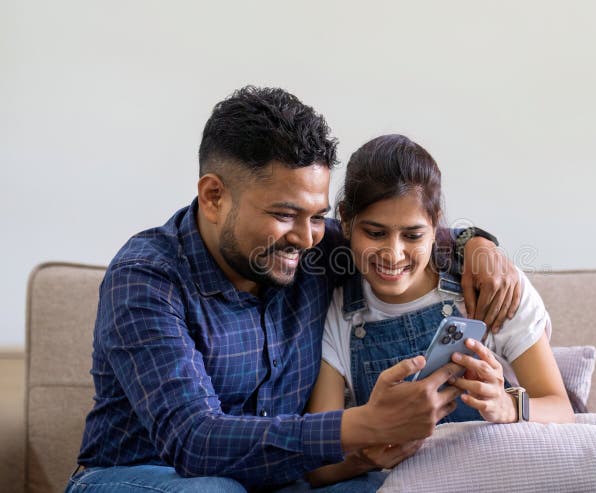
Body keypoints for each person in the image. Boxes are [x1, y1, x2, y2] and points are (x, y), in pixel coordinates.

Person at [65, 87, 522, 493]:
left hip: (283, 481)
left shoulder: (317, 248)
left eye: (318, 215)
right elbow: (194, 440)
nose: (307, 237)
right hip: (143, 477)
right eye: (285, 214)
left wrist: (477, 245)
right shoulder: (147, 278)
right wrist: (363, 424)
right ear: (213, 196)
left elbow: (409, 238)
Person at [303, 134, 575, 488]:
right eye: (375, 233)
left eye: (413, 236)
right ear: (347, 222)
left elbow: (561, 409)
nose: (393, 253)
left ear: (436, 226)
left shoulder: (491, 288)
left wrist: (508, 406)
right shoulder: (339, 312)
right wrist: (362, 459)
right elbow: (318, 467)